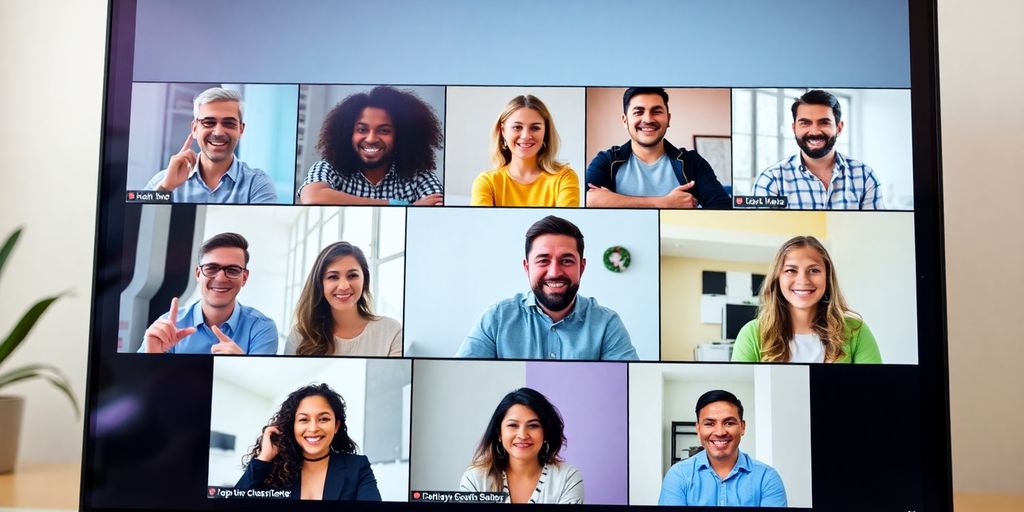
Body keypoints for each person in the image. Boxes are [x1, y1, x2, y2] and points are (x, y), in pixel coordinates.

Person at [455, 215, 638, 360]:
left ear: (581, 267)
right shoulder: (497, 317)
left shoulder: (607, 324)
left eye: (566, 261)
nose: (554, 272)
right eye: (543, 260)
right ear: (527, 267)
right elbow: (463, 378)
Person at [731, 236, 882, 363]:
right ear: (777, 278)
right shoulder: (751, 333)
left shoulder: (856, 331)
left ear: (828, 278)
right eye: (791, 270)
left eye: (814, 270)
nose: (803, 281)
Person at [585, 87, 731, 209]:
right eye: (638, 112)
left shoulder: (692, 161)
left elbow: (722, 206)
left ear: (668, 119)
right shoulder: (606, 160)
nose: (648, 119)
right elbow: (589, 199)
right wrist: (664, 203)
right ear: (625, 120)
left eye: (656, 111)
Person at [298, 86, 444, 206]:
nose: (371, 138)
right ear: (347, 133)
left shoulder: (419, 177)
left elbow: (438, 210)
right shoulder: (329, 168)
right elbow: (312, 197)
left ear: (400, 136)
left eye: (384, 130)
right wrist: (397, 204)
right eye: (362, 129)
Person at [236, 383, 381, 501]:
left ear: (336, 426)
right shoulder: (274, 470)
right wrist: (264, 458)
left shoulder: (357, 467)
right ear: (292, 426)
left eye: (323, 419)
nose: (313, 428)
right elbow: (233, 505)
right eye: (303, 420)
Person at [139, 232, 278, 354]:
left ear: (244, 278)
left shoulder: (262, 329)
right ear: (198, 274)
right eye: (211, 268)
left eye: (233, 270)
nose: (221, 278)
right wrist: (152, 358)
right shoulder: (167, 325)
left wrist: (242, 363)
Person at [753, 89, 883, 209]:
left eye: (824, 122)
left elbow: (876, 229)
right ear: (794, 128)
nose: (814, 131)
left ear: (839, 128)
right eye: (805, 123)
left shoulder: (865, 176)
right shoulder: (770, 180)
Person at [145, 87, 278, 203]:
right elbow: (138, 220)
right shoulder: (162, 180)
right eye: (209, 122)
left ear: (241, 130)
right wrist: (166, 188)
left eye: (229, 123)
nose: (219, 132)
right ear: (194, 129)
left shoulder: (258, 184)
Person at [659, 390, 787, 507]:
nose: (720, 432)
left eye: (729, 423)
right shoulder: (678, 475)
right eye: (709, 424)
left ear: (742, 427)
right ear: (698, 429)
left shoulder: (767, 478)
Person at [460, 388, 583, 504]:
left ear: (546, 432)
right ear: (499, 433)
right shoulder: (475, 479)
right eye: (513, 425)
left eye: (533, 425)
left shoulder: (568, 479)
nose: (523, 435)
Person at [285, 242, 402, 357]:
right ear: (319, 284)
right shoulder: (300, 336)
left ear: (364, 280)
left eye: (352, 275)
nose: (344, 286)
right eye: (333, 277)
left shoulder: (391, 332)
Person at [471, 95, 580, 207]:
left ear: (546, 132)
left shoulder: (565, 178)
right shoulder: (486, 182)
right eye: (517, 127)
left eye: (535, 128)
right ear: (503, 131)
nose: (526, 136)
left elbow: (562, 224)